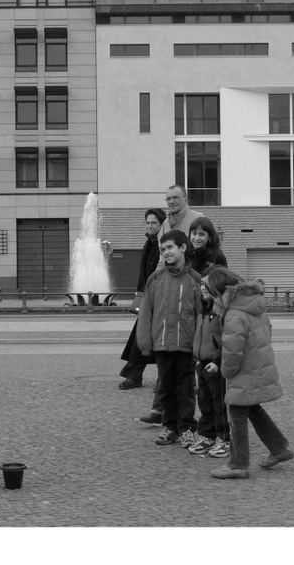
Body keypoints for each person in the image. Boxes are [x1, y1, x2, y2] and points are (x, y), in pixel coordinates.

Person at [204, 267, 294, 479]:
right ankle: (279, 448)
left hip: (243, 371)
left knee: (236, 413)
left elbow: (232, 350)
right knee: (252, 408)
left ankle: (238, 464)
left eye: (209, 289)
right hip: (257, 366)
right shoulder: (253, 305)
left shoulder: (234, 313)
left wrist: (226, 371)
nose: (205, 293)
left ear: (219, 291)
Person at [138, 185, 203, 423]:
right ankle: (162, 412)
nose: (171, 201)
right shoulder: (166, 224)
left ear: (185, 198)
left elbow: (207, 249)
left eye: (176, 197)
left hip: (189, 288)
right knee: (166, 361)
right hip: (169, 287)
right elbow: (161, 258)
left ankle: (195, 421)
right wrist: (154, 283)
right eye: (168, 198)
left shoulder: (198, 219)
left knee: (188, 372)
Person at [136, 229, 201, 448]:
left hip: (186, 344)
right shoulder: (155, 279)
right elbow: (146, 312)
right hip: (162, 343)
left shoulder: (194, 279)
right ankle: (170, 426)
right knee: (165, 388)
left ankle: (187, 428)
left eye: (170, 247)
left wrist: (200, 345)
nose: (165, 252)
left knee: (186, 388)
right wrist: (144, 342)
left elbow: (200, 314)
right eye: (163, 249)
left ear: (183, 248)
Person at [118, 208, 166, 391]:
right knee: (142, 336)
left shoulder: (163, 243)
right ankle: (135, 373)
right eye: (147, 222)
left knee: (151, 338)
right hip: (148, 298)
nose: (150, 225)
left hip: (159, 298)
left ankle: (137, 374)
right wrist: (139, 295)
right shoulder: (149, 243)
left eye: (154, 222)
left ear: (162, 224)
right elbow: (144, 274)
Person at [188, 268, 230, 458]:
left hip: (215, 365)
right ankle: (207, 435)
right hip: (201, 362)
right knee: (204, 402)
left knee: (218, 403)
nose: (203, 288)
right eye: (202, 284)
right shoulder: (203, 308)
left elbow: (226, 340)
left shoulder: (222, 311)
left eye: (207, 284)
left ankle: (224, 437)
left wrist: (218, 361)